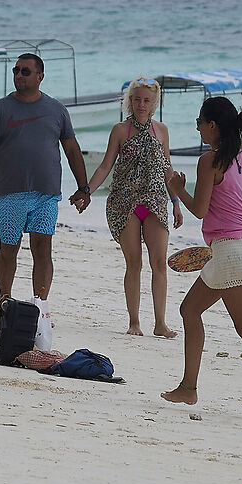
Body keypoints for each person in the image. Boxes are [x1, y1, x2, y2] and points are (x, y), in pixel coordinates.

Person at [161, 96, 242, 422]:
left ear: (213, 126)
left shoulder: (210, 161)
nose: (197, 126)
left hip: (231, 252)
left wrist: (176, 189)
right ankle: (188, 387)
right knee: (192, 310)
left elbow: (200, 210)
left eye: (200, 121)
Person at [0, 52, 92, 312]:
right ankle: (5, 300)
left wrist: (84, 188)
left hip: (46, 194)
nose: (18, 75)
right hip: (9, 193)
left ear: (40, 76)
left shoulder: (57, 109)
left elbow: (72, 149)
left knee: (42, 248)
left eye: (25, 71)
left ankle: (40, 304)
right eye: (16, 70)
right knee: (8, 248)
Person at [83, 77, 184, 337]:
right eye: (137, 99)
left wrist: (176, 202)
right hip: (124, 202)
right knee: (134, 263)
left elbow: (167, 168)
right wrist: (86, 192)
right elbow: (105, 166)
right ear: (130, 101)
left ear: (154, 104)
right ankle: (134, 323)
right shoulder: (120, 130)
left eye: (146, 100)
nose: (141, 104)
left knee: (159, 263)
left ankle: (160, 323)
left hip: (155, 201)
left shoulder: (162, 130)